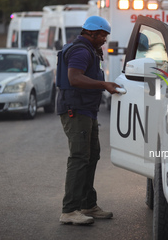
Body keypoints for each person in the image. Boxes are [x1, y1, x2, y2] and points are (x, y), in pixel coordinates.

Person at [57, 16, 120, 225]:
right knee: (79, 157)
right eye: (102, 35)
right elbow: (74, 78)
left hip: (87, 111)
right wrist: (104, 84)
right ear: (91, 33)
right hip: (76, 110)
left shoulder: (89, 50)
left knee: (91, 156)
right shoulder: (81, 51)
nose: (104, 39)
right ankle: (69, 210)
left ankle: (87, 205)